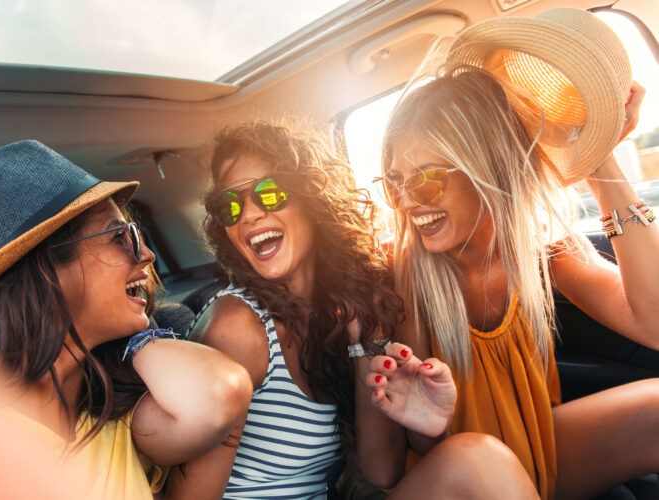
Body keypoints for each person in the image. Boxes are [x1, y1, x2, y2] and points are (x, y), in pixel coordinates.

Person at [170, 122, 540, 499]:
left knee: (476, 459)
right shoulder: (236, 329)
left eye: (268, 193)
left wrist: (417, 414)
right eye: (229, 206)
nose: (248, 215)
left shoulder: (345, 310)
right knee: (479, 460)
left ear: (311, 197)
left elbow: (382, 471)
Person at [371, 62, 659, 499]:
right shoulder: (404, 272)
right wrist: (429, 426)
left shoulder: (543, 250)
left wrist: (599, 157)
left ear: (487, 167)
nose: (408, 201)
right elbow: (422, 440)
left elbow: (653, 321)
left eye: (427, 181)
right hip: (457, 472)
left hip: (538, 443)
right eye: (396, 183)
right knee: (480, 461)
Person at [0, 140, 253, 499]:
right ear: (45, 274)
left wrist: (137, 337)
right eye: (120, 237)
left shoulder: (114, 417)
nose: (147, 255)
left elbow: (221, 392)